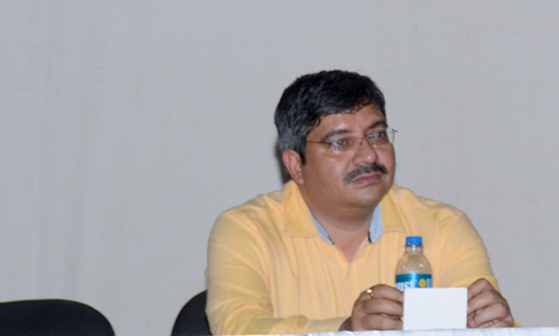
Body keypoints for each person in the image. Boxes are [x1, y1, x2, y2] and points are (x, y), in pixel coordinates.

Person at [206, 70, 514, 333]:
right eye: (341, 142)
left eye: (377, 135)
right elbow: (239, 328)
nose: (368, 155)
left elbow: (485, 323)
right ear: (295, 165)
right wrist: (346, 330)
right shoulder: (248, 229)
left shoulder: (443, 227)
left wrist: (494, 327)